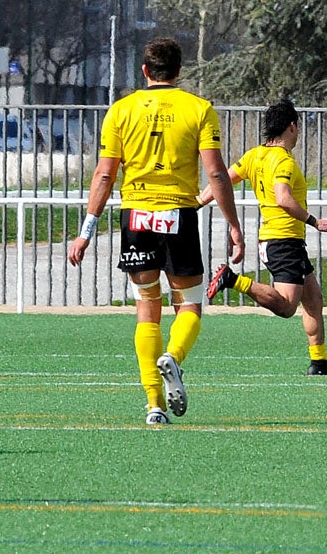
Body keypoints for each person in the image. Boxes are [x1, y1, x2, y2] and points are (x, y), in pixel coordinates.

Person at [68, 37, 245, 426]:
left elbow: (104, 174)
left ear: (145, 71)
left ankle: (154, 406)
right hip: (178, 215)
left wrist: (86, 231)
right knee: (190, 304)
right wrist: (233, 225)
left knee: (147, 310)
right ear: (179, 71)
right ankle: (174, 357)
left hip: (136, 217)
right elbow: (216, 173)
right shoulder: (199, 109)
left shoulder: (121, 110)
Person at [199, 99, 327, 376]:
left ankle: (319, 362)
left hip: (284, 242)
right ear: (292, 127)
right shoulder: (283, 160)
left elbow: (220, 181)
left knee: (313, 298)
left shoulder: (254, 155)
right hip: (282, 241)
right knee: (287, 307)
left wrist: (197, 202)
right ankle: (233, 279)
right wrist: (316, 222)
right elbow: (283, 198)